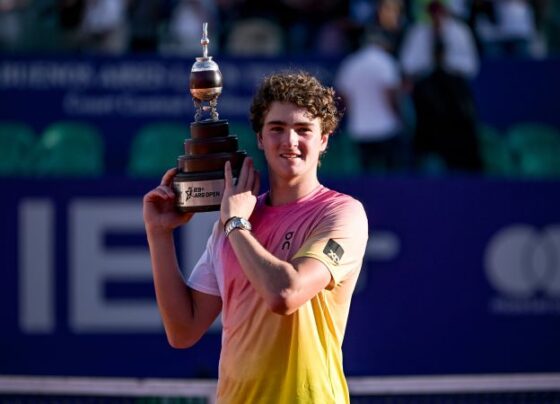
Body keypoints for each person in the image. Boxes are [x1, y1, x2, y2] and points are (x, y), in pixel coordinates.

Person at [143, 71, 369, 403]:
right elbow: (183, 330)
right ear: (260, 138)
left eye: (303, 130)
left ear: (324, 139)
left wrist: (235, 222)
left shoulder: (342, 214)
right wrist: (159, 235)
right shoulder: (232, 225)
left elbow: (286, 294)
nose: (289, 141)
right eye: (276, 128)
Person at [335, 30, 407, 173]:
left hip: (359, 129)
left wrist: (354, 116)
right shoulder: (386, 61)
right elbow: (391, 94)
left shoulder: (351, 63)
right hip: (387, 128)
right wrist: (400, 118)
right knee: (391, 174)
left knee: (366, 174)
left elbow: (342, 96)